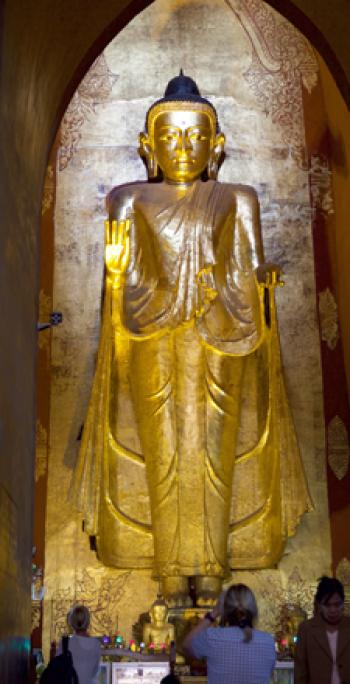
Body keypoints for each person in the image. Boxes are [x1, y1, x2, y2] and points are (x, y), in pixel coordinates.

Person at [71, 71, 311, 606]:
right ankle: (170, 575)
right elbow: (125, 279)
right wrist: (113, 273)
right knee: (165, 453)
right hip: (150, 333)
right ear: (148, 146)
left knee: (211, 456)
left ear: (216, 145)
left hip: (221, 333)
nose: (182, 146)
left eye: (194, 135)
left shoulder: (237, 198)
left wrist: (263, 284)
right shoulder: (129, 200)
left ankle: (211, 573)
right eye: (170, 136)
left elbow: (247, 266)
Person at [182, 583, 275, 684]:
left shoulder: (212, 637)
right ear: (253, 610)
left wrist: (214, 613)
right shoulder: (268, 641)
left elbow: (186, 645)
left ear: (225, 610)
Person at [295, 576, 350, 684]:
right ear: (319, 605)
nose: (333, 610)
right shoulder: (306, 629)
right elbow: (300, 671)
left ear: (343, 603)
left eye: (337, 604)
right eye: (327, 605)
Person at [58, 605, 101, 684]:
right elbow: (95, 671)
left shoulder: (65, 643)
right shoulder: (96, 644)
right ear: (88, 621)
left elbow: (58, 670)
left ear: (71, 622)